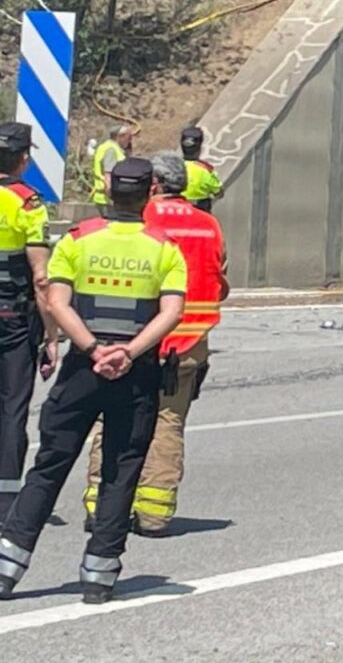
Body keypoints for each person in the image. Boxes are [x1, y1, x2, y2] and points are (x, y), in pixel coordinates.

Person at [0, 158, 186, 604]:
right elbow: (172, 311)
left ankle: (6, 570)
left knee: (49, 467)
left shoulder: (79, 241)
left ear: (108, 191)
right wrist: (127, 351)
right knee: (120, 472)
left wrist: (92, 348)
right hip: (135, 372)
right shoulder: (164, 248)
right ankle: (99, 578)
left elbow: (57, 300)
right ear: (150, 192)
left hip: (83, 370)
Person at [83, 152, 226, 536]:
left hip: (133, 339)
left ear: (154, 185)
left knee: (111, 418)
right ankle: (154, 513)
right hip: (188, 343)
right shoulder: (209, 226)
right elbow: (220, 282)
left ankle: (100, 506)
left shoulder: (138, 220)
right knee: (167, 422)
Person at [0, 122, 58, 514]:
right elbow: (41, 278)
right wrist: (52, 335)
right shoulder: (27, 203)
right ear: (24, 159)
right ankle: (5, 500)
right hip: (13, 319)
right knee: (12, 406)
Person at [91, 125, 134, 215]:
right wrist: (113, 197)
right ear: (120, 137)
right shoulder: (111, 150)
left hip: (104, 198)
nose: (130, 140)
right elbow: (108, 176)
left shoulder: (106, 147)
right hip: (108, 200)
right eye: (129, 137)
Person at [179, 126, 222, 213]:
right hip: (200, 214)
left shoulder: (174, 167)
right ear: (199, 147)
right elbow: (218, 191)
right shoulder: (205, 169)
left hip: (176, 214)